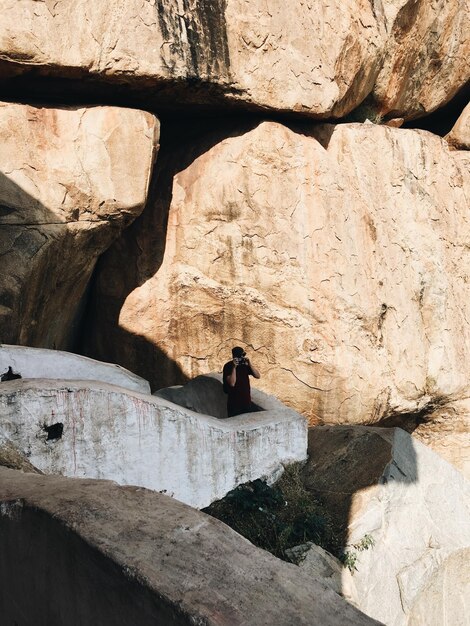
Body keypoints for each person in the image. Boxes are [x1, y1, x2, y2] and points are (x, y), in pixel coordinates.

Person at [223, 346, 261, 417]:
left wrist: (250, 365)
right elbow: (232, 383)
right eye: (240, 356)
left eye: (243, 356)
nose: (242, 358)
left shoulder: (244, 365)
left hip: (246, 403)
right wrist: (234, 367)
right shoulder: (228, 366)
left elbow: (257, 376)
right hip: (234, 404)